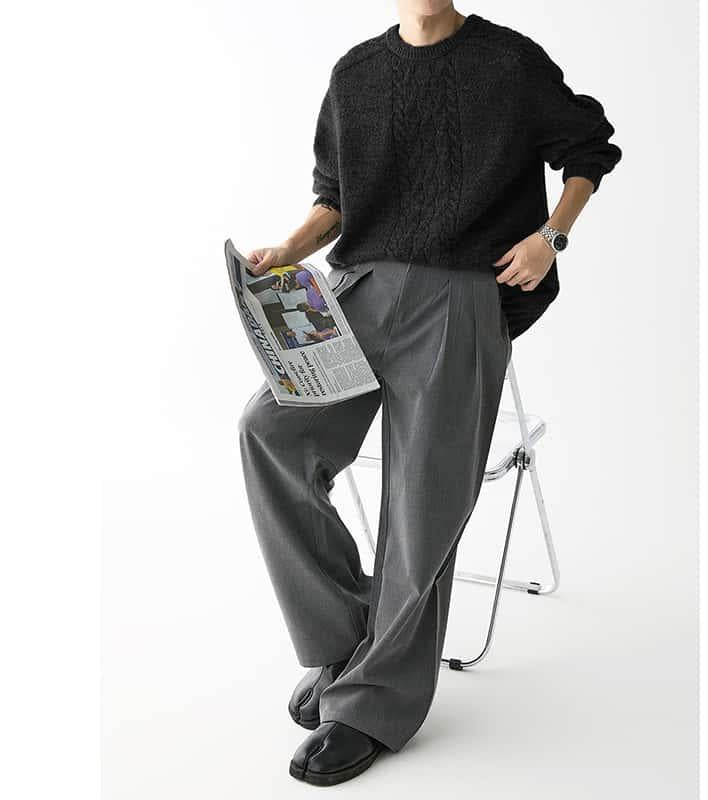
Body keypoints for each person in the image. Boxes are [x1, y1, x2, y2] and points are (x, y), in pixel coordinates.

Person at [238, 1, 621, 786]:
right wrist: (289, 247)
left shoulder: (508, 62)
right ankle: (345, 642)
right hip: (358, 291)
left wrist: (550, 237)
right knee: (268, 432)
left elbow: (589, 148)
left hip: (461, 295)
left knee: (423, 501)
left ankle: (374, 703)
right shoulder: (356, 73)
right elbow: (335, 197)